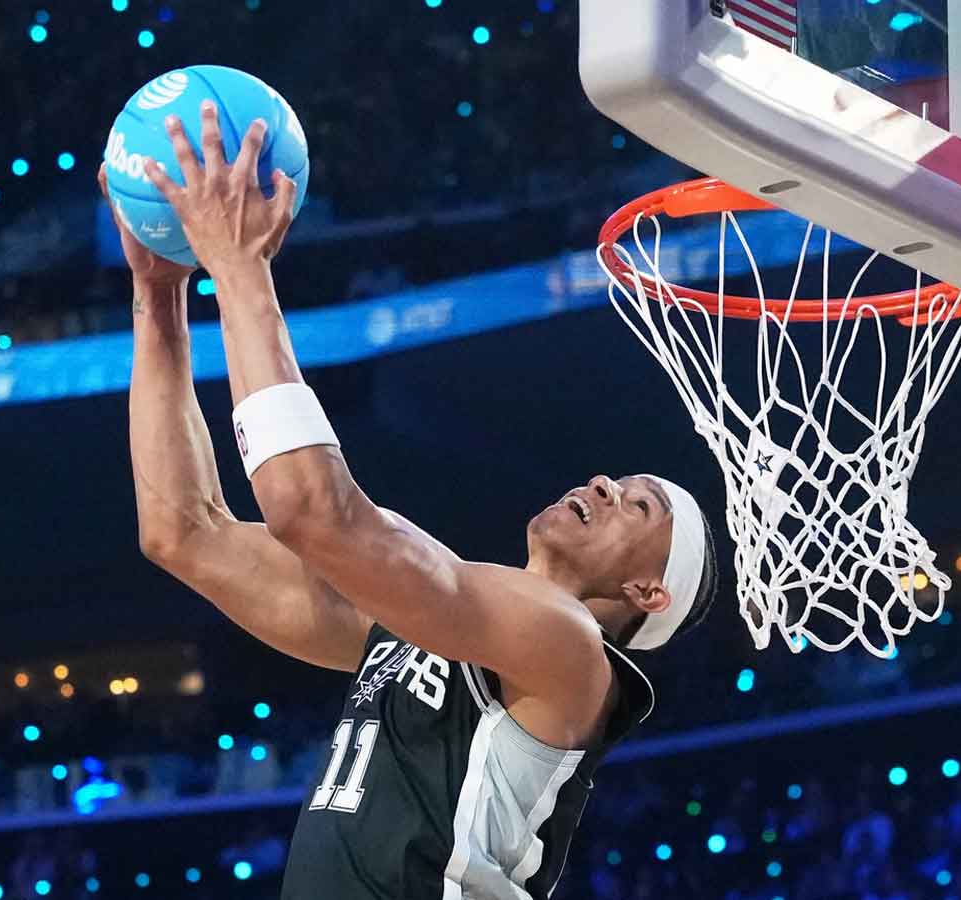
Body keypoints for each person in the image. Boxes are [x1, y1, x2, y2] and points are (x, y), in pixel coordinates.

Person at [100, 100, 719, 900]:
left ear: (646, 593)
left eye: (639, 506)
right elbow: (183, 533)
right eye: (619, 480)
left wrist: (240, 267)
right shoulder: (412, 631)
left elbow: (311, 511)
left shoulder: (569, 649)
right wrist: (159, 300)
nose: (605, 484)